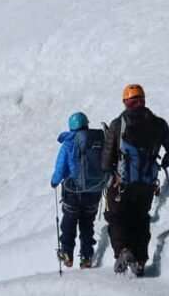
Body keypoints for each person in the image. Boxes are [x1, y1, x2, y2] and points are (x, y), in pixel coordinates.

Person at [102, 84, 169, 276]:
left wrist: (112, 168)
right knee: (140, 219)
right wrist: (165, 162)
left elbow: (105, 162)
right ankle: (140, 260)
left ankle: (123, 251)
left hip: (122, 183)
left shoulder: (118, 123)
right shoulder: (159, 124)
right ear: (143, 100)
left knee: (117, 217)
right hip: (147, 182)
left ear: (126, 103)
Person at [51, 111, 105, 269]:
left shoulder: (68, 144)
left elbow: (60, 168)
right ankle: (86, 256)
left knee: (69, 222)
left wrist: (54, 182)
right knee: (87, 225)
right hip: (94, 192)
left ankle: (67, 253)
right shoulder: (97, 141)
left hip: (72, 194)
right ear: (86, 124)